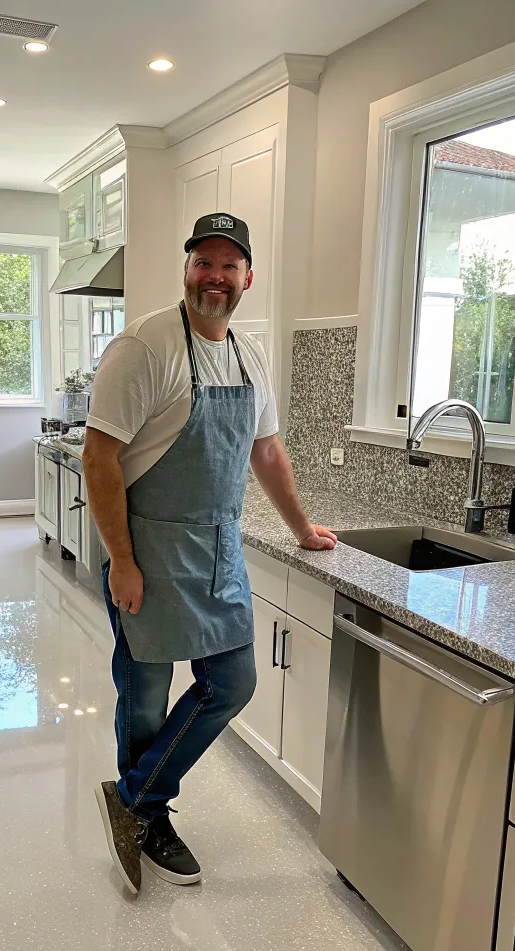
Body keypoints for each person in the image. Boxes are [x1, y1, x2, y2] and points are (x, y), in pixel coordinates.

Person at [83, 213, 337, 895]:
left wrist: (303, 529)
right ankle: (154, 814)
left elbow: (266, 450)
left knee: (232, 684)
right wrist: (124, 561)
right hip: (151, 550)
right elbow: (99, 457)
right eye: (204, 262)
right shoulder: (145, 347)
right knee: (144, 697)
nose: (215, 277)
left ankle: (133, 798)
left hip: (219, 549)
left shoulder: (251, 357)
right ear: (187, 269)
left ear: (247, 277)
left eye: (230, 265)